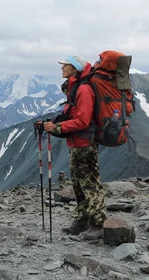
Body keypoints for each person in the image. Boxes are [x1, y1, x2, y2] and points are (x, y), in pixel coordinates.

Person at [42, 55, 106, 240]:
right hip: (76, 143)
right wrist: (53, 124)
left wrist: (58, 128)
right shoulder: (75, 88)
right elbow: (72, 115)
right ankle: (82, 220)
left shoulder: (84, 90)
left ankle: (98, 223)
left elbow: (83, 121)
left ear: (75, 68)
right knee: (78, 184)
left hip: (85, 144)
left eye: (66, 65)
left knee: (90, 184)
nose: (62, 68)